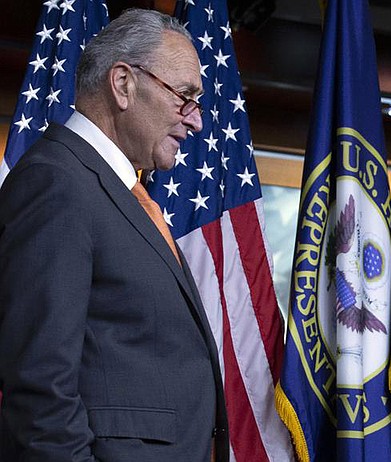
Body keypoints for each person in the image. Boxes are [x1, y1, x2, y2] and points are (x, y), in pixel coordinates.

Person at [0, 9, 229, 461]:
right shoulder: (56, 183)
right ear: (123, 83)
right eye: (184, 97)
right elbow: (40, 389)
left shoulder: (118, 189)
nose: (196, 121)